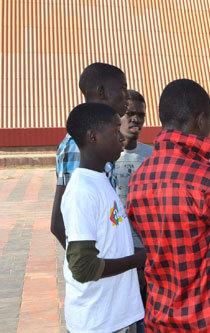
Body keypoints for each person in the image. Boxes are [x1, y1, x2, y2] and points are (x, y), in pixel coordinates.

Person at [126, 79, 210, 332]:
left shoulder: (138, 179)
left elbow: (162, 242)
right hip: (209, 319)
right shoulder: (208, 180)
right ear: (200, 120)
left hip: (158, 318)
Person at [61, 102, 145, 333]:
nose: (121, 137)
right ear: (93, 137)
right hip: (98, 322)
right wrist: (137, 260)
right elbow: (83, 267)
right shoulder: (82, 190)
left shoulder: (102, 179)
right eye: (115, 130)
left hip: (119, 314)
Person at [51, 62, 129, 250]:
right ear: (101, 92)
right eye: (122, 89)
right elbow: (60, 221)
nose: (126, 96)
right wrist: (92, 270)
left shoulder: (102, 142)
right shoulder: (80, 146)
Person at [115, 89, 153, 333]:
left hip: (148, 252)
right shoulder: (107, 155)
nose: (135, 120)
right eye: (129, 113)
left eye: (140, 115)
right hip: (118, 254)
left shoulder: (152, 155)